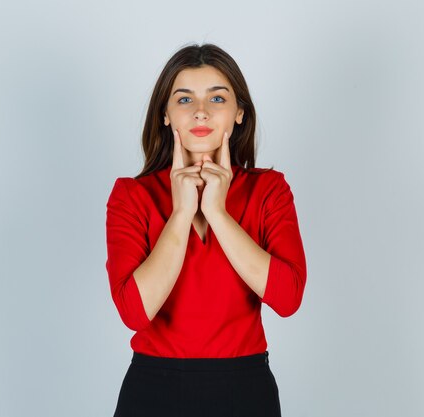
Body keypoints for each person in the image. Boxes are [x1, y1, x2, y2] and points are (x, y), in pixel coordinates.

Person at [105, 43, 307, 417]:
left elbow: (288, 297)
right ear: (165, 115)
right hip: (153, 390)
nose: (200, 111)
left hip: (245, 389)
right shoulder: (132, 196)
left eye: (217, 98)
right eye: (184, 99)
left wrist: (217, 211)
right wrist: (181, 212)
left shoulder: (269, 191)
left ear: (239, 112)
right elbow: (135, 313)